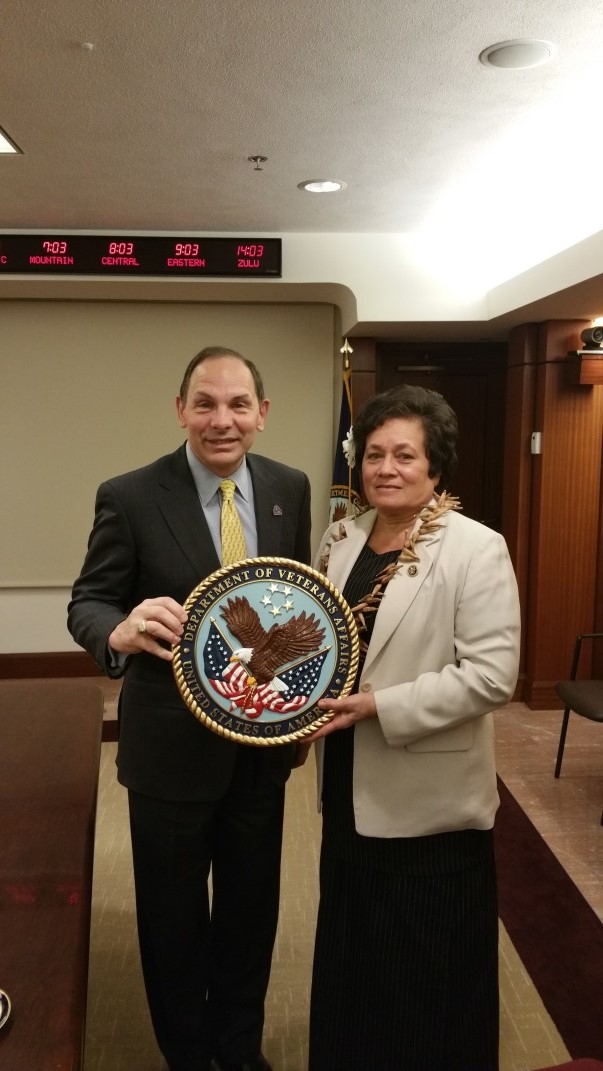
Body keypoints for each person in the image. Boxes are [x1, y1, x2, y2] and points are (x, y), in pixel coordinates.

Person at [68, 346, 312, 1071]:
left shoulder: (289, 489)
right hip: (169, 752)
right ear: (181, 410)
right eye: (205, 402)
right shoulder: (131, 494)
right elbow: (89, 599)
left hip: (261, 749)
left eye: (238, 404)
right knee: (173, 925)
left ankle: (237, 1049)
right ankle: (187, 1054)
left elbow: (294, 601)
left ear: (262, 414)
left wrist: (292, 707)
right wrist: (115, 630)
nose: (222, 419)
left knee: (248, 912)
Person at [307, 384, 520, 1071]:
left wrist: (379, 705)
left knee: (423, 965)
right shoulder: (340, 538)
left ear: (436, 466)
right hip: (346, 782)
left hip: (428, 800)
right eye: (373, 453)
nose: (386, 467)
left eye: (405, 454)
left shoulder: (475, 547)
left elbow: (491, 676)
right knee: (354, 949)